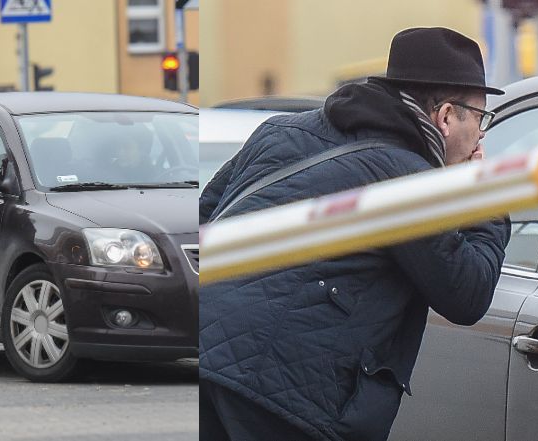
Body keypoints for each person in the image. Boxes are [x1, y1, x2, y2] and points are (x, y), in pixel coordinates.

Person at [199, 27, 511, 441]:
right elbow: (467, 293)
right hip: (289, 392)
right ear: (447, 117)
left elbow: (206, 215)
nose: (482, 134)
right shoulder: (408, 182)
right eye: (481, 117)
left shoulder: (278, 130)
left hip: (205, 355)